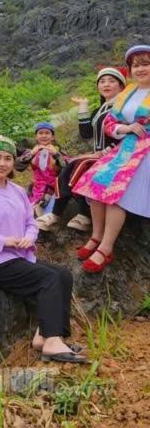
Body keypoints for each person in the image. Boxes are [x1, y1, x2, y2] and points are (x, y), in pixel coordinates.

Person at [0, 136, 86, 364]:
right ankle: (52, 342)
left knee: (63, 275)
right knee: (48, 279)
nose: (2, 163)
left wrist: (29, 238)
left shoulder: (17, 191)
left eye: (8, 158)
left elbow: (30, 222)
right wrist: (2, 241)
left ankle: (48, 335)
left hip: (21, 256)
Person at [72, 44, 150, 272]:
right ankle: (96, 236)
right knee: (96, 182)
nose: (140, 69)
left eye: (145, 64)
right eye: (136, 66)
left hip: (146, 150)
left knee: (117, 191)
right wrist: (127, 129)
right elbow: (109, 122)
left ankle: (106, 248)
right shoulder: (128, 93)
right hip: (126, 146)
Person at [36, 66, 127, 232]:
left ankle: (82, 215)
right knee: (72, 164)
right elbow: (86, 134)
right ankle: (59, 214)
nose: (106, 84)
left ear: (122, 86)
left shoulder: (124, 108)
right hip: (100, 154)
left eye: (112, 81)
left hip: (118, 155)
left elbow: (127, 136)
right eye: (102, 81)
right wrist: (83, 106)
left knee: (79, 165)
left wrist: (105, 152)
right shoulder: (101, 109)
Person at [15, 122, 64, 215]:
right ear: (36, 136)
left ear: (52, 137)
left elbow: (66, 166)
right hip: (36, 188)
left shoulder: (57, 151)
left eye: (47, 133)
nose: (44, 136)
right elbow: (18, 166)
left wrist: (56, 155)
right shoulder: (32, 151)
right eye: (40, 133)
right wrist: (32, 153)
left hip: (54, 189)